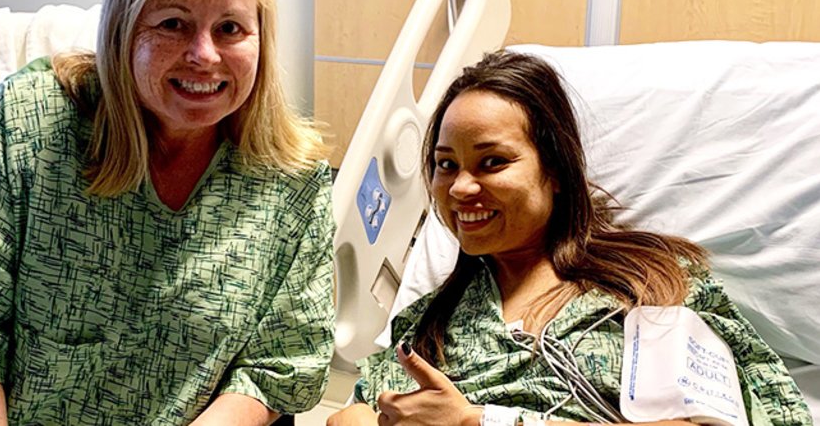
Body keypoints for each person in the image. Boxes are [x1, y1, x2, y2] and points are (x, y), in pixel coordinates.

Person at [0, 0, 335, 424]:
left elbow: (273, 367)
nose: (204, 55)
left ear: (261, 37)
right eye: (173, 23)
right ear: (124, 27)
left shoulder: (290, 182)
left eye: (231, 28)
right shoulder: (27, 128)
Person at [328, 51, 811, 425]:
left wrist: (478, 419)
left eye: (493, 162)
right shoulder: (431, 321)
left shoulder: (646, 283)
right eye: (446, 164)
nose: (460, 187)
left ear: (555, 169)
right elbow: (364, 410)